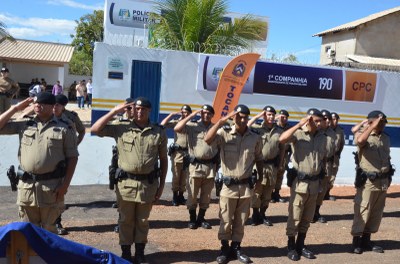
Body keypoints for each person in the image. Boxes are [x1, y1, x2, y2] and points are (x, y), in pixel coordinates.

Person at [91, 97, 168, 263]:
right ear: (132, 110)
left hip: (148, 184)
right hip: (126, 184)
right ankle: (126, 252)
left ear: (149, 111)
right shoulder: (121, 128)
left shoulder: (158, 131)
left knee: (142, 221)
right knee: (125, 220)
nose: (139, 112)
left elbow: (164, 160)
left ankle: (140, 253)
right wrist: (115, 111)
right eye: (136, 109)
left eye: (143, 109)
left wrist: (162, 186)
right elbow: (95, 129)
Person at [0, 92, 79, 234]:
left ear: (52, 106)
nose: (37, 105)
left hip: (51, 187)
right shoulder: (24, 123)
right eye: (36, 103)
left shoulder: (65, 127)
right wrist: (15, 109)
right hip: (27, 188)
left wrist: (65, 185)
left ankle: (48, 257)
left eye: (42, 103)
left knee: (49, 232)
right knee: (28, 232)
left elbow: (72, 157)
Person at [204, 105, 263, 264]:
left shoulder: (255, 137)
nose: (242, 120)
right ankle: (224, 248)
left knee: (241, 219)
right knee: (226, 218)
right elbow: (207, 139)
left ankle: (236, 248)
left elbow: (259, 158)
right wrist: (220, 121)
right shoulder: (223, 133)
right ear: (233, 117)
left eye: (245, 117)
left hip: (245, 187)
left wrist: (260, 179)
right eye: (239, 116)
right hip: (228, 186)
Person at [279, 108, 327, 261]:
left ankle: (301, 245)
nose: (317, 123)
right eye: (314, 120)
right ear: (308, 119)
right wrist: (298, 124)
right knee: (295, 215)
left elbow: (323, 159)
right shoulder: (298, 134)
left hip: (314, 184)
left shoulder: (322, 137)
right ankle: (291, 246)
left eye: (319, 121)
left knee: (307, 217)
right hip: (300, 184)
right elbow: (282, 139)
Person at [351, 110, 392, 254]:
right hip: (368, 181)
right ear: (370, 122)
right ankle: (356, 241)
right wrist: (371, 125)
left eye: (383, 123)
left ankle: (366, 240)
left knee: (376, 211)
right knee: (363, 209)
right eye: (379, 122)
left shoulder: (385, 138)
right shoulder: (363, 136)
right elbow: (360, 141)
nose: (382, 125)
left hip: (383, 181)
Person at [174, 104, 219, 230]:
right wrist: (192, 115)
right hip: (195, 166)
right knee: (192, 195)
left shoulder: (216, 129)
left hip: (210, 167)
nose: (206, 115)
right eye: (203, 113)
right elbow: (177, 128)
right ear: (200, 114)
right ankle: (192, 219)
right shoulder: (192, 127)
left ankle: (201, 218)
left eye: (209, 113)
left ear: (212, 115)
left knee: (206, 196)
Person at [247, 106, 284, 227]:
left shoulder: (279, 130)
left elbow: (282, 149)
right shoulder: (257, 128)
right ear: (264, 116)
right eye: (268, 115)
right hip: (259, 165)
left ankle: (263, 215)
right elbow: (247, 125)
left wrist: (280, 165)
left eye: (273, 115)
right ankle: (255, 215)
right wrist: (257, 116)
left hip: (272, 166)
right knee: (257, 192)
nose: (271, 117)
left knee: (268, 192)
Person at [160, 105, 192, 206]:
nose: (184, 114)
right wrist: (171, 115)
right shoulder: (176, 122)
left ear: (190, 114)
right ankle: (175, 196)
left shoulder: (192, 125)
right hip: (177, 153)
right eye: (182, 112)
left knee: (184, 176)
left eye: (186, 112)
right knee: (176, 175)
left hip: (188, 153)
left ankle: (181, 196)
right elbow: (162, 124)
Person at [312, 109, 336, 224]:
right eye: (324, 119)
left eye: (328, 119)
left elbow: (336, 149)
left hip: (327, 165)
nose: (326, 121)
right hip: (316, 164)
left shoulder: (333, 133)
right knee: (313, 190)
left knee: (322, 191)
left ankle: (316, 211)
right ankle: (310, 213)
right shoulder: (316, 132)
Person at [273, 109, 292, 203]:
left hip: (284, 155)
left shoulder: (289, 128)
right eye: (281, 117)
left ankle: (276, 193)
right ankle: (269, 194)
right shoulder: (273, 126)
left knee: (280, 174)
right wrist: (275, 119)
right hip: (273, 154)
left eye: (285, 117)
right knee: (272, 175)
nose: (283, 119)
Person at [327, 112, 345, 201]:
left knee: (332, 176)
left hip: (335, 157)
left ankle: (327, 193)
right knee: (325, 175)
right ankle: (320, 194)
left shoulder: (340, 130)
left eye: (337, 119)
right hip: (326, 158)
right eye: (333, 119)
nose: (335, 121)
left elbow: (341, 144)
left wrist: (338, 153)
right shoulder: (325, 130)